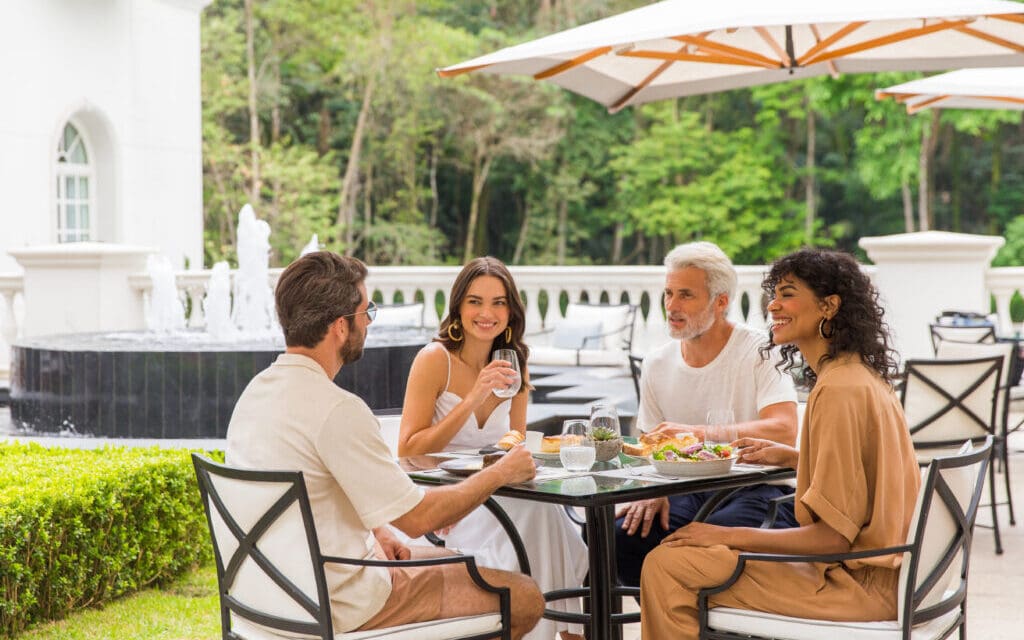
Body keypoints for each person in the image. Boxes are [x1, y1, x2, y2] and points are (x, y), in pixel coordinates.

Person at [226, 251, 544, 639]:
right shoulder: (338, 409)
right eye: (367, 313)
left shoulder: (254, 394)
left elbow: (322, 485)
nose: (369, 324)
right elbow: (419, 519)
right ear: (341, 326)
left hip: (262, 599)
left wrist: (378, 530)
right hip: (341, 603)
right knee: (525, 597)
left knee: (453, 558)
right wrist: (501, 473)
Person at [640, 248, 921, 638]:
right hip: (883, 573)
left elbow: (832, 537)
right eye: (774, 294)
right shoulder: (857, 375)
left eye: (787, 293)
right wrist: (796, 460)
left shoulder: (838, 390)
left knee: (669, 565)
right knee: (680, 553)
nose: (773, 305)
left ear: (828, 306)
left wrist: (724, 535)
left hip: (855, 583)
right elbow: (867, 476)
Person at [399, 256, 589, 640]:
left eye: (499, 302)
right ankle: (565, 632)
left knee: (543, 511)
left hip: (498, 486)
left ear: (511, 310)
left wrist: (502, 461)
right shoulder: (435, 360)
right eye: (475, 301)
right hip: (445, 495)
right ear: (458, 307)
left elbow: (515, 438)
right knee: (543, 518)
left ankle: (550, 627)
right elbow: (409, 451)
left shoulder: (516, 359)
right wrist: (473, 397)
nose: (487, 313)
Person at [614, 241, 799, 587]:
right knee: (618, 539)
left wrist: (698, 434)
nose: (672, 306)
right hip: (684, 490)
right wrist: (651, 490)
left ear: (721, 302)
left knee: (694, 551)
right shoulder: (657, 362)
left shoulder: (761, 351)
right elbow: (650, 445)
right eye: (668, 293)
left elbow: (785, 430)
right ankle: (672, 625)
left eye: (686, 295)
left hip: (758, 488)